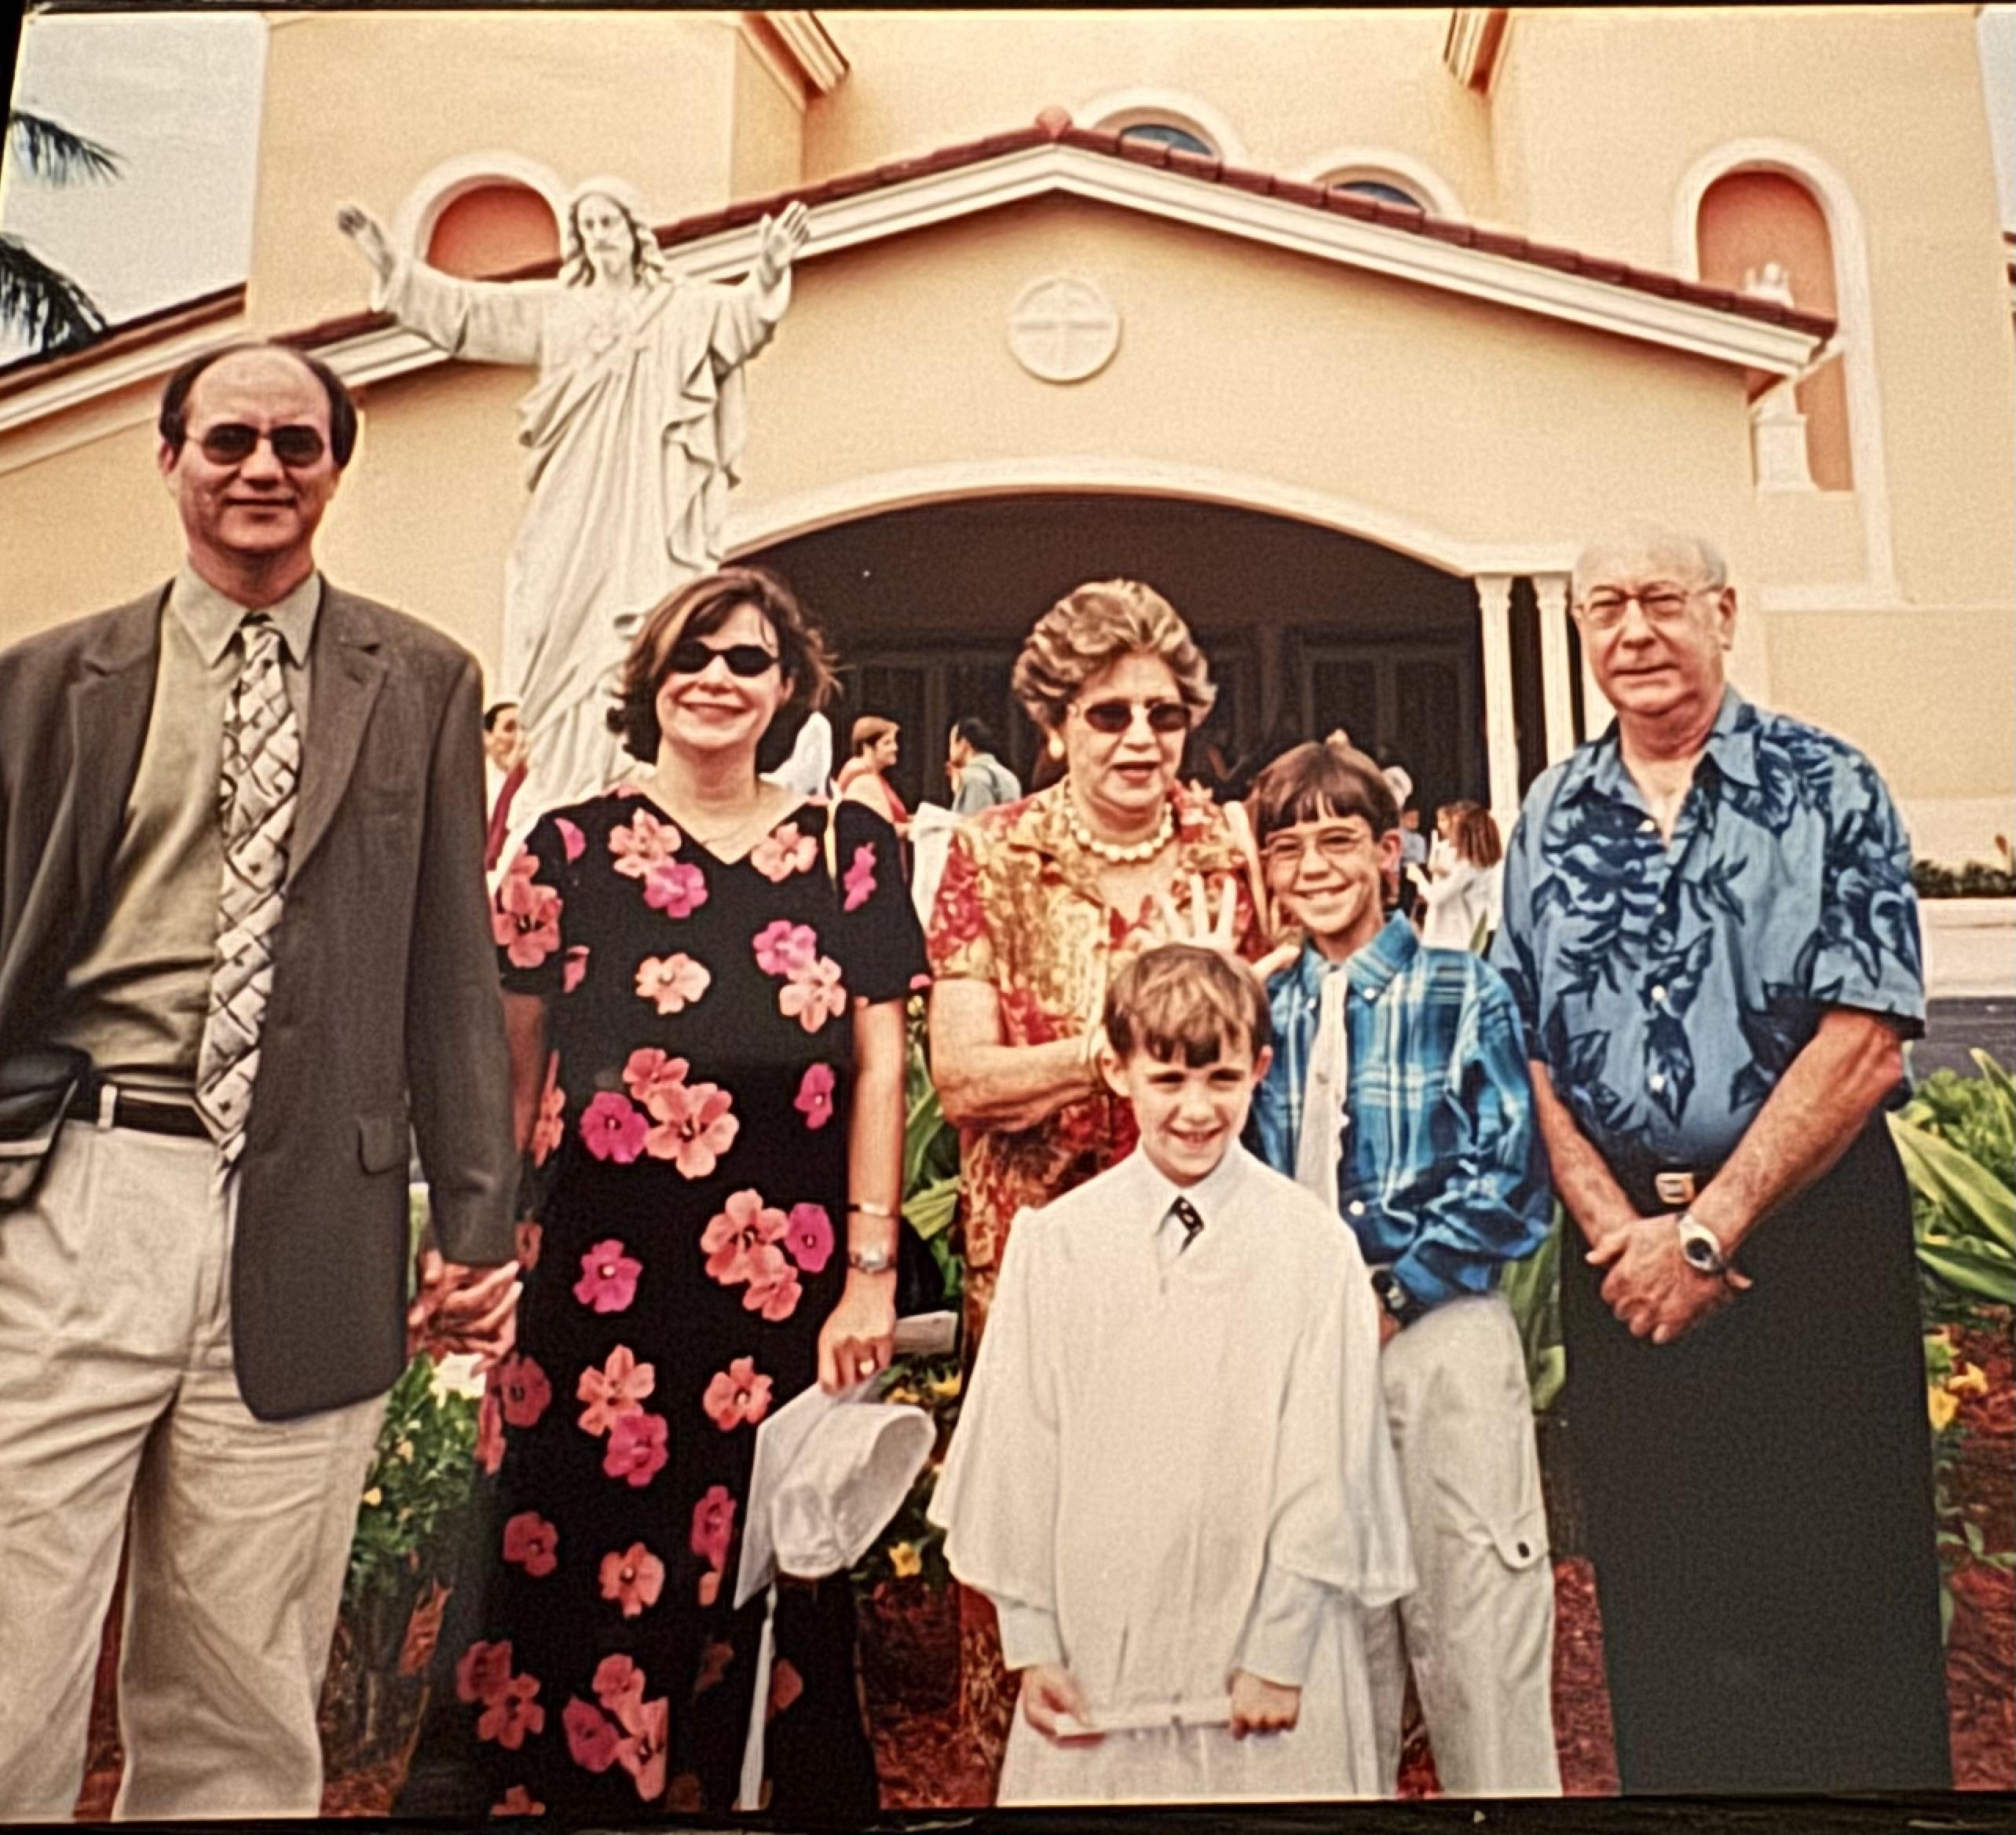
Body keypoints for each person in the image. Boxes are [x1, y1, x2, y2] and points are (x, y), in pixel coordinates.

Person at [0, 341, 518, 1819]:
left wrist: (477, 1217)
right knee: (13, 1640)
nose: (261, 468)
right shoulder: (47, 683)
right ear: (169, 459)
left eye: (297, 443)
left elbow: (450, 962)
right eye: (228, 439)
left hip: (311, 1212)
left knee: (239, 1677)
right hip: (79, 1192)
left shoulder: (418, 679)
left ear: (334, 469)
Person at [453, 564, 924, 1818]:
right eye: (692, 656)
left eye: (747, 660)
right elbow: (511, 1077)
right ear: (651, 679)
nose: (717, 677)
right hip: (588, 1303)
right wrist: (489, 1252)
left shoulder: (849, 848)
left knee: (760, 1589)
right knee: (576, 1582)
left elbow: (881, 1064)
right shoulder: (564, 848)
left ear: (787, 690)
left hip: (784, 1298)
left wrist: (866, 1276)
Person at [1489, 521, 1948, 1793]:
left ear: (1722, 613)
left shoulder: (1826, 784)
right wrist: (1621, 1232)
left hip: (1807, 1244)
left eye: (1657, 601)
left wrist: (1708, 1230)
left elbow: (1865, 1040)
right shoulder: (1551, 812)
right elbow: (1520, 1043)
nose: (1630, 631)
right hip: (1623, 1263)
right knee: (1666, 1603)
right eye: (1602, 608)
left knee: (1839, 1588)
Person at [931, 944, 1414, 1804]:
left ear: (1259, 1069)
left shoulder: (1308, 1248)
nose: (1196, 1109)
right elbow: (1020, 1446)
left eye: (1222, 1079)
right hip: (1103, 1639)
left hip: (1266, 1658)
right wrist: (1033, 1639)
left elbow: (1325, 1455)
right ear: (1115, 1069)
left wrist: (1276, 1650)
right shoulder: (1059, 1244)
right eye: (1167, 1079)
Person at [926, 577, 1264, 1789]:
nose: (1138, 739)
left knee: (1198, 1517)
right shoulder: (993, 854)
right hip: (1036, 1251)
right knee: (1043, 1532)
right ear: (1053, 723)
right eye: (1106, 713)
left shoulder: (1229, 850)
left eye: (1162, 715)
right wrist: (1118, 1050)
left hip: (1202, 1246)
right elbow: (963, 1081)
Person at [1246, 742, 1560, 1797]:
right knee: (1332, 1644)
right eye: (1286, 849)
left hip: (1433, 1333)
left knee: (1475, 1622)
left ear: (1390, 853)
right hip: (1304, 1350)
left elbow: (1505, 1177)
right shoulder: (1263, 1011)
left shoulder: (1457, 988)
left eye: (1338, 841)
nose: (1313, 868)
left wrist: (1389, 1296)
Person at [337, 183, 811, 830]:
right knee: (554, 614)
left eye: (609, 222)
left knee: (646, 615)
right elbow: (474, 314)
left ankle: (631, 773)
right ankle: (561, 780)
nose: (599, 236)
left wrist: (768, 269)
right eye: (586, 226)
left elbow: (740, 323)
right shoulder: (559, 310)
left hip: (649, 496)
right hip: (573, 491)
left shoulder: (677, 309)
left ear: (633, 230)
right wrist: (395, 268)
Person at [1410, 800, 1503, 952]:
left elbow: (1436, 897)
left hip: (1459, 941)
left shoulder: (1468, 867)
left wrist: (1418, 877)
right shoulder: (1488, 863)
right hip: (1481, 932)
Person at [837, 713, 911, 836]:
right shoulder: (863, 782)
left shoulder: (873, 777)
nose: (895, 748)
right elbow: (880, 829)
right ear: (867, 748)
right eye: (887, 743)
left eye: (894, 742)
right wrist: (918, 829)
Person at [485, 697, 529, 871]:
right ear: (487, 736)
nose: (519, 739)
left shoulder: (529, 785)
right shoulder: (472, 785)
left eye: (523, 729)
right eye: (509, 728)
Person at [947, 715, 1021, 815]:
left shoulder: (971, 777)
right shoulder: (1009, 776)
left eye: (951, 743)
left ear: (964, 743)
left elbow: (973, 825)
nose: (949, 750)